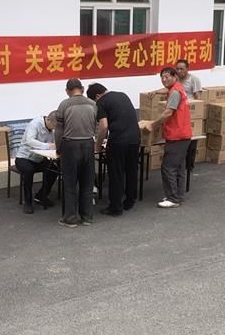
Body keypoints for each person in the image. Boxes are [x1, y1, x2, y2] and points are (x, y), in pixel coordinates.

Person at [86, 83, 140, 217]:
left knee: (116, 173)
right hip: (135, 139)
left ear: (97, 96)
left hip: (118, 141)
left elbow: (104, 126)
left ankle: (115, 207)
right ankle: (130, 201)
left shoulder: (101, 102)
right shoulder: (123, 95)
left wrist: (98, 146)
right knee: (131, 170)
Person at [142, 67, 192, 208]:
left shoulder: (175, 92)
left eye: (167, 77)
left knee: (168, 167)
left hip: (176, 136)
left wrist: (153, 125)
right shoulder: (177, 88)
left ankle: (173, 198)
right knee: (179, 168)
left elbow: (168, 113)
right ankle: (178, 196)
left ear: (175, 77)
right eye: (162, 77)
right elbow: (166, 90)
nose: (164, 80)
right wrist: (156, 91)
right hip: (183, 134)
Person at [55, 78, 97, 228]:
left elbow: (59, 130)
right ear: (83, 89)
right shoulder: (93, 104)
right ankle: (87, 217)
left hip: (70, 145)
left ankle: (71, 218)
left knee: (70, 183)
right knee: (87, 182)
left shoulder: (64, 105)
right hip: (88, 144)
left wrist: (58, 148)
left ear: (67, 91)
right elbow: (97, 126)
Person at [14, 111, 59, 215]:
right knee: (28, 171)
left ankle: (41, 195)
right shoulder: (35, 124)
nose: (54, 128)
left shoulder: (52, 129)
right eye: (53, 126)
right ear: (48, 120)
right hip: (24, 157)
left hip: (39, 158)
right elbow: (30, 141)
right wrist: (48, 146)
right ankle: (28, 202)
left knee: (54, 168)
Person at [176, 59, 202, 173]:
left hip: (190, 111)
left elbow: (198, 97)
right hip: (178, 112)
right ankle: (180, 163)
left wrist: (197, 113)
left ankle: (189, 165)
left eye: (181, 69)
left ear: (187, 69)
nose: (179, 71)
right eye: (177, 69)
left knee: (191, 140)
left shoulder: (194, 79)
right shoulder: (176, 79)